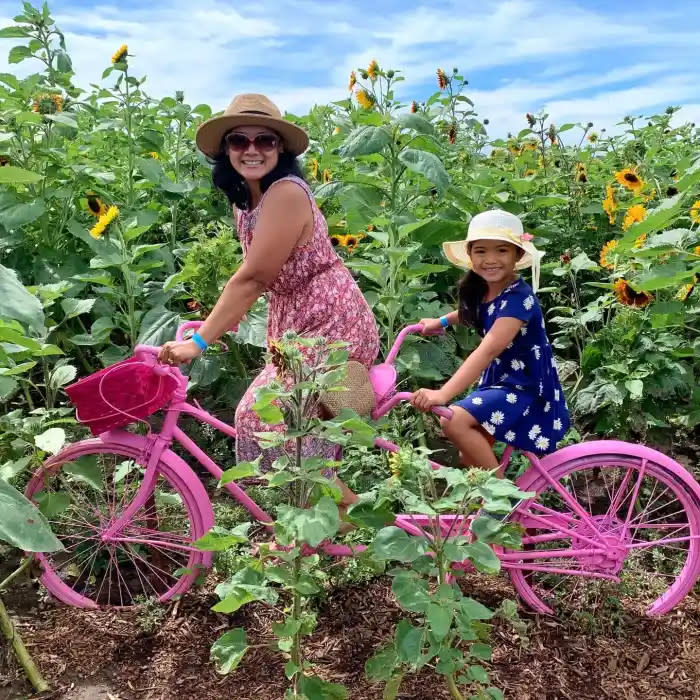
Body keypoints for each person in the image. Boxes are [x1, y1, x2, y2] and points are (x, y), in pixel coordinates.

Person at [158, 93, 379, 511]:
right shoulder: (250, 201)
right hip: (298, 326)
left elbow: (255, 277)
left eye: (266, 141)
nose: (252, 150)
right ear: (226, 150)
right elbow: (265, 272)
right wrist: (221, 320)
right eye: (239, 141)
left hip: (332, 324)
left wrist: (200, 341)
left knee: (265, 418)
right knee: (297, 429)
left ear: (281, 148)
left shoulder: (286, 193)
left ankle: (348, 520)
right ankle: (311, 528)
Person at [410, 209, 569, 475]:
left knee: (454, 422)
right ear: (470, 255)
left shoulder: (519, 297)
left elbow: (489, 349)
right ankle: (487, 500)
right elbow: (476, 312)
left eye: (502, 251)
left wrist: (443, 394)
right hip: (503, 380)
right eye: (481, 251)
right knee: (469, 454)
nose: (490, 260)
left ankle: (501, 500)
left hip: (523, 385)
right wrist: (441, 322)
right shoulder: (484, 288)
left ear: (518, 255)